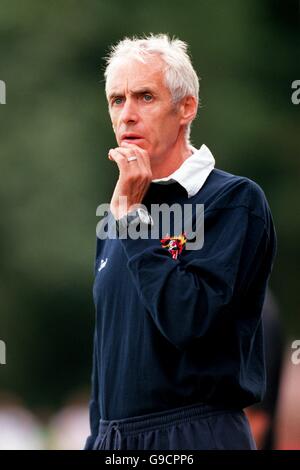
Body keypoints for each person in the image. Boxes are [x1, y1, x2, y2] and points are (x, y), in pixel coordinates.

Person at [84, 33, 276, 450]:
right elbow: (107, 364)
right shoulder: (118, 212)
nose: (127, 115)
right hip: (115, 441)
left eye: (145, 97)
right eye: (117, 100)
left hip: (195, 434)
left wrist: (135, 221)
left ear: (186, 107)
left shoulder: (233, 200)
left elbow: (188, 322)